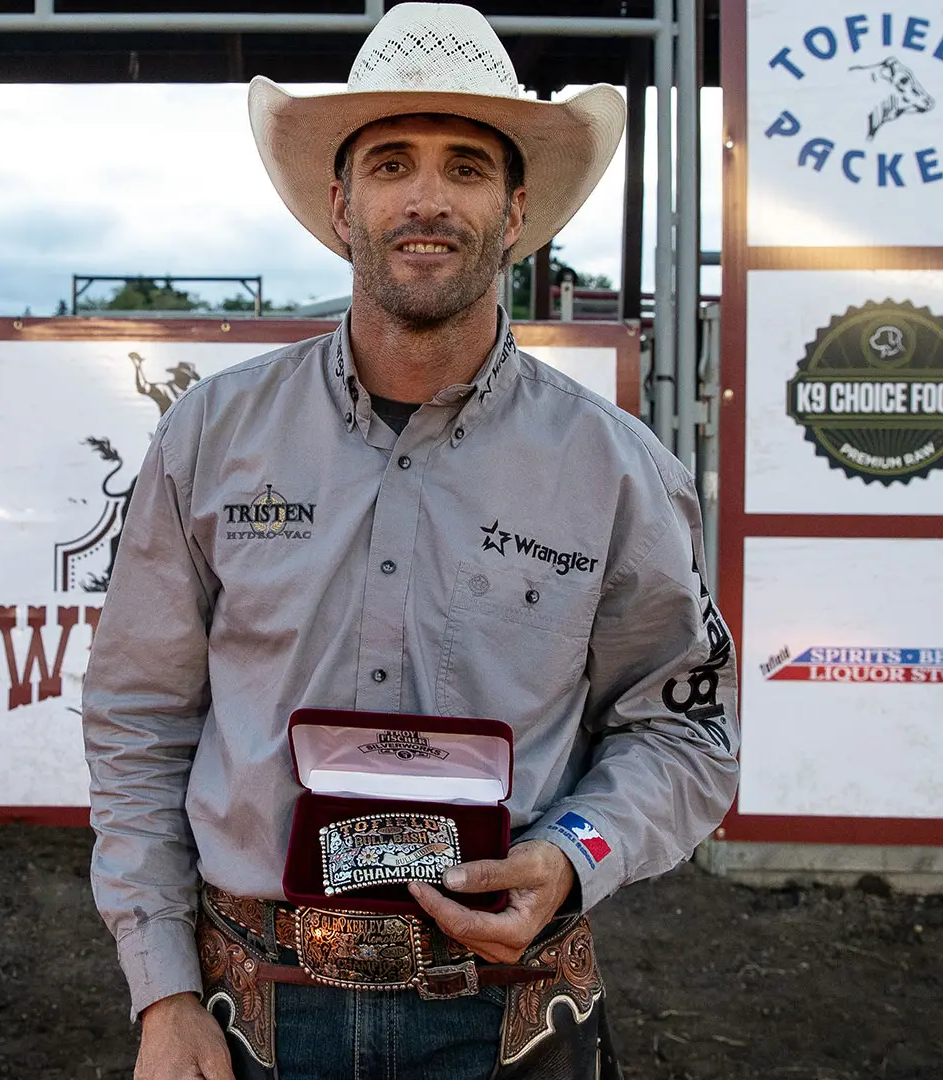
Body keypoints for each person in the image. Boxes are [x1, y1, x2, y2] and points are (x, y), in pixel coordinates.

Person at [82, 5, 739, 1078]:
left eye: (466, 168)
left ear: (515, 211)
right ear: (342, 204)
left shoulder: (617, 469)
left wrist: (577, 855)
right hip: (254, 1009)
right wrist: (163, 992)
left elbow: (686, 729)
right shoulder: (212, 437)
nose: (428, 199)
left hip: (512, 1014)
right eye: (392, 164)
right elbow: (138, 720)